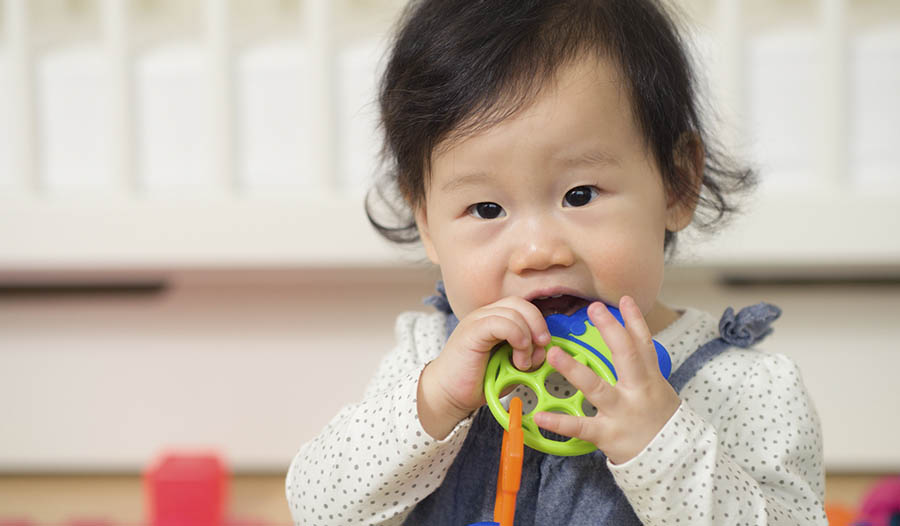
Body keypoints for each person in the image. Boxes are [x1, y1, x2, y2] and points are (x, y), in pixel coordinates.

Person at [286, 0, 826, 524]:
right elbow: (316, 507)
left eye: (580, 195)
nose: (540, 251)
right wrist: (433, 403)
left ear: (676, 183)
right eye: (487, 208)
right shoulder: (427, 357)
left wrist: (662, 444)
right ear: (426, 220)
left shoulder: (743, 389)